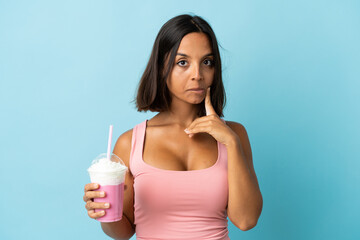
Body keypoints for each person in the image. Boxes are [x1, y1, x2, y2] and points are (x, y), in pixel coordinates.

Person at [83, 14, 263, 240]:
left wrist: (231, 143)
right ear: (161, 67)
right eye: (183, 62)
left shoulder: (234, 135)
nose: (197, 75)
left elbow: (246, 220)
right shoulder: (131, 143)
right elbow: (123, 233)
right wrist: (104, 211)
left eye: (207, 62)